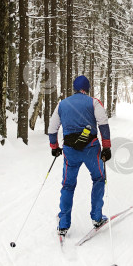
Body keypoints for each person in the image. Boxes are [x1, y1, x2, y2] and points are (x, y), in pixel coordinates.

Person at [47, 75, 112, 236]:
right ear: (87, 88)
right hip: (91, 149)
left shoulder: (62, 104)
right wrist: (107, 147)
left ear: (74, 88)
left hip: (70, 151)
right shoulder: (94, 102)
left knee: (68, 185)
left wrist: (54, 147)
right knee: (98, 179)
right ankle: (97, 217)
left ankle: (63, 224)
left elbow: (52, 128)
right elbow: (103, 124)